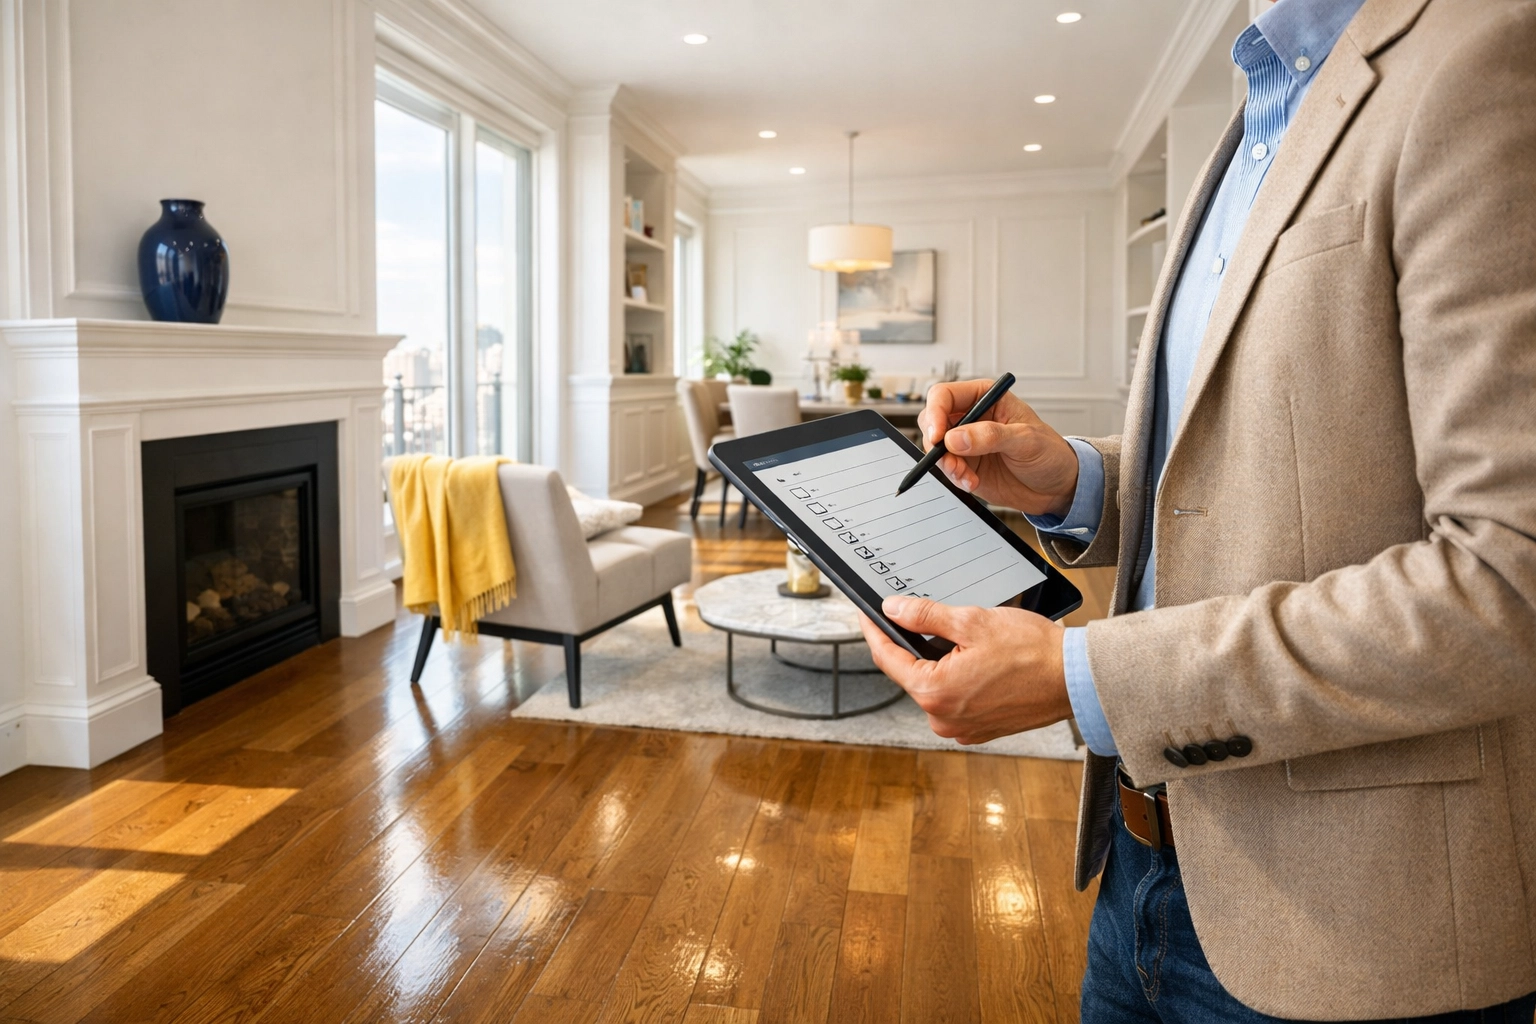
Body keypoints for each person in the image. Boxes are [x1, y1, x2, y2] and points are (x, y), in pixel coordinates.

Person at [856, 0, 1536, 1018]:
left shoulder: (1483, 52)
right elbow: (1253, 464)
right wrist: (1073, 478)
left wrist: (1086, 676)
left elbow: (1506, 581)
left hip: (1356, 931)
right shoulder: (1255, 113)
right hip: (1143, 865)